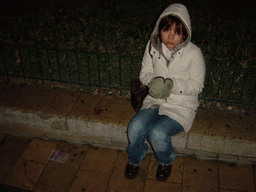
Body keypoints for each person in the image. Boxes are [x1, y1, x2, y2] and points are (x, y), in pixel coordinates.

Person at [125, 3, 205, 181]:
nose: (170, 36)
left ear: (184, 33)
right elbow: (144, 73)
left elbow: (197, 85)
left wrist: (172, 85)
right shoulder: (152, 46)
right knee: (135, 127)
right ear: (158, 29)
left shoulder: (194, 53)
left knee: (157, 133)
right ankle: (134, 159)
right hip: (155, 100)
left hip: (181, 106)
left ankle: (165, 161)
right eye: (166, 29)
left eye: (177, 32)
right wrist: (153, 81)